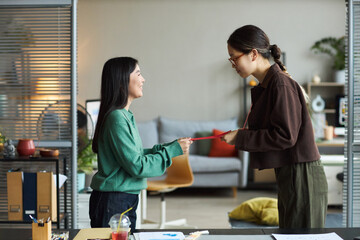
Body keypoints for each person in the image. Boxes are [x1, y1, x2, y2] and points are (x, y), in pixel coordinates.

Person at [222, 25, 328, 228]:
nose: (233, 64)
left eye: (234, 57)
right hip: (293, 173)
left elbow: (285, 135)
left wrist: (240, 138)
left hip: (302, 175)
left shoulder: (280, 84)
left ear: (253, 54)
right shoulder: (269, 85)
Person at [89, 57, 192, 232]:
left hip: (123, 198)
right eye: (138, 73)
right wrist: (171, 151)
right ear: (122, 81)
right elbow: (137, 166)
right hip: (113, 200)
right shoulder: (117, 118)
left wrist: (166, 148)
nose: (143, 79)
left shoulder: (125, 116)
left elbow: (132, 156)